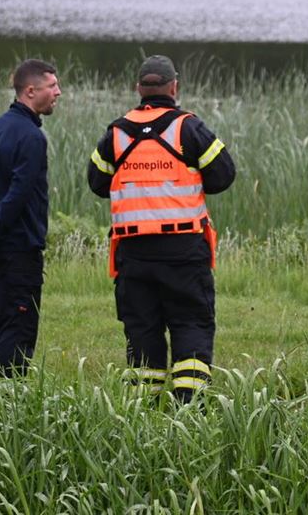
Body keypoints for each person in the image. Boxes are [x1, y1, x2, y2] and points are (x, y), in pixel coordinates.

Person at [88, 55, 235, 403]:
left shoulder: (117, 133)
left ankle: (143, 409)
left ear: (139, 89)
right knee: (191, 324)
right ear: (174, 87)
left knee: (142, 329)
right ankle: (189, 408)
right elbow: (224, 175)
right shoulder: (188, 128)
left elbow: (97, 182)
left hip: (134, 254)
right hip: (184, 250)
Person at [0, 59, 62, 377]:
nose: (58, 92)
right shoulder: (31, 138)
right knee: (16, 330)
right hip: (16, 252)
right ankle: (8, 410)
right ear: (31, 91)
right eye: (52, 86)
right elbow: (16, 197)